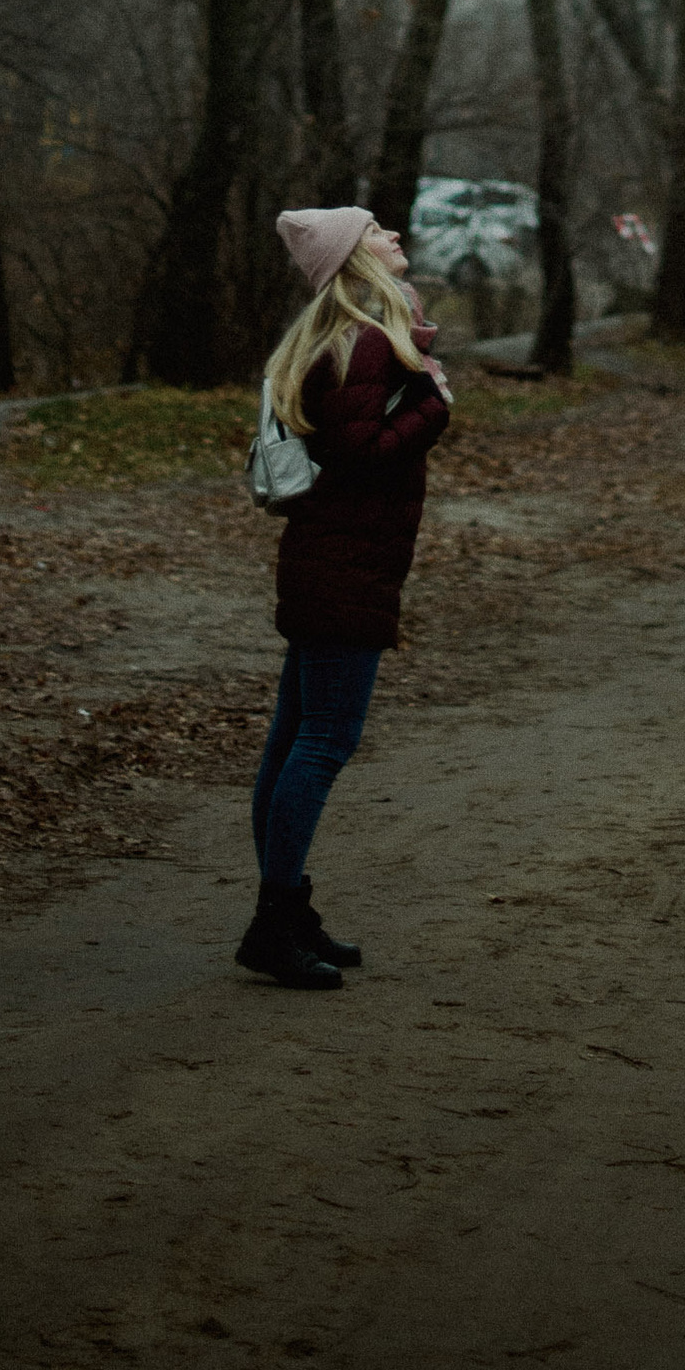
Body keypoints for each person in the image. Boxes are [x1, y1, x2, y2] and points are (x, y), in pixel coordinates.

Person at [238, 203, 453, 991]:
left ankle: (285, 910)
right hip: (344, 567)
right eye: (376, 231)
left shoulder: (345, 336)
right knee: (322, 742)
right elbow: (361, 452)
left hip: (329, 562)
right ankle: (272, 919)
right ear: (353, 259)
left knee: (293, 739)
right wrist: (433, 407)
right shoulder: (364, 341)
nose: (394, 236)